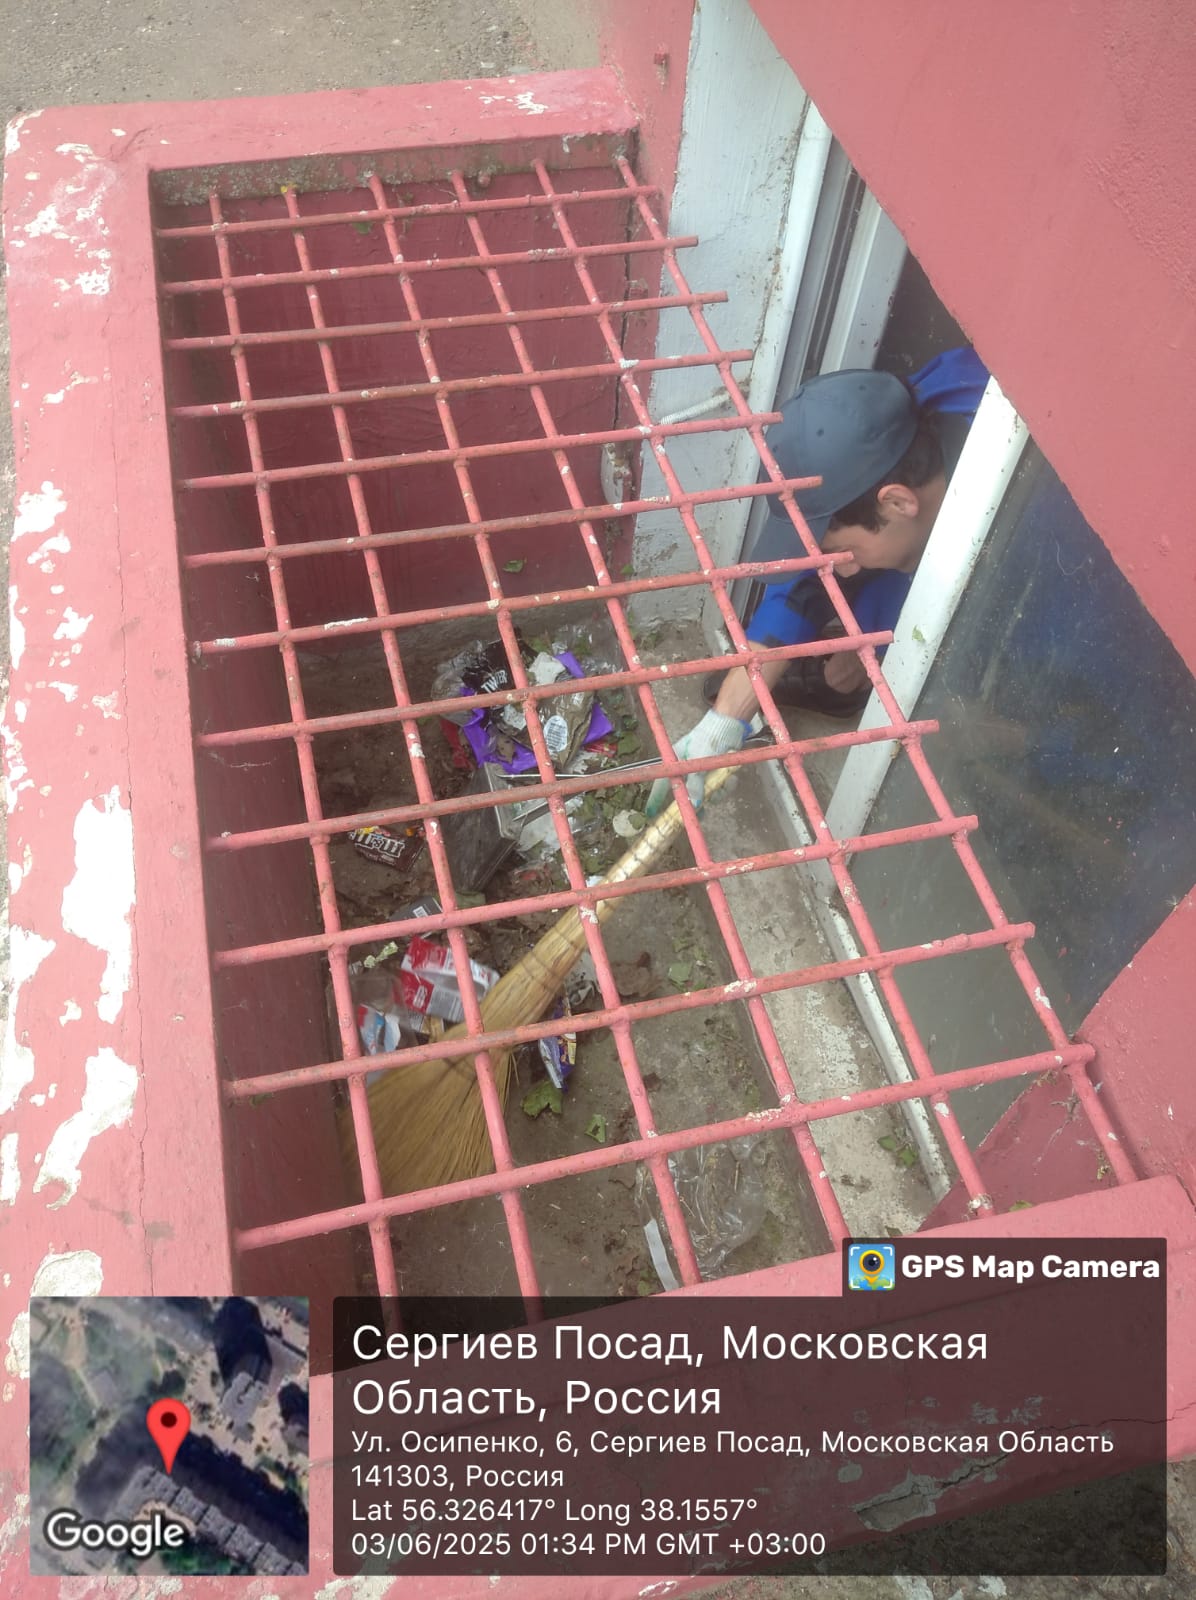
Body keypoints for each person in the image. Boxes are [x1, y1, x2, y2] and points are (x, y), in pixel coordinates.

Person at [646, 347, 989, 817]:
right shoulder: (901, 420)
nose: (835, 569)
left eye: (840, 550)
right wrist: (723, 722)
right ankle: (848, 671)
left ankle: (856, 668)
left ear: (897, 502)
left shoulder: (1029, 529)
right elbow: (806, 582)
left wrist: (976, 730)